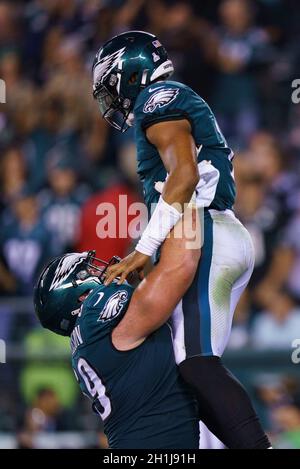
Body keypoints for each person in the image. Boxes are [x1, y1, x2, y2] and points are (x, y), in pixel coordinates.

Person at [92, 30, 271, 449]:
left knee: (194, 364)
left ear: (128, 74)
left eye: (109, 87)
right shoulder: (169, 100)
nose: (109, 100)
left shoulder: (159, 100)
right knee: (187, 373)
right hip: (212, 230)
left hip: (202, 231)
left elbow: (184, 176)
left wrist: (144, 248)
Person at [34, 207, 200, 449]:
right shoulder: (94, 317)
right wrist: (188, 202)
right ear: (78, 295)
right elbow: (182, 266)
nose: (99, 271)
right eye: (88, 271)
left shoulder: (88, 340)